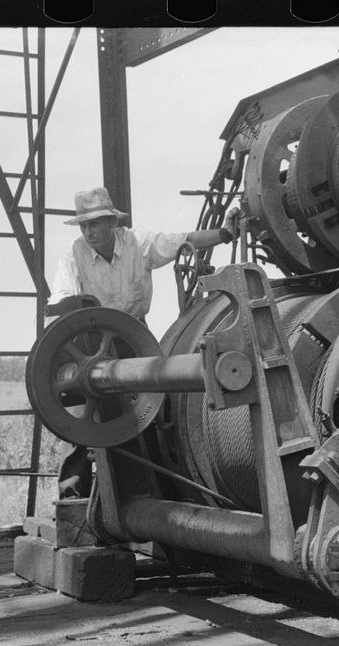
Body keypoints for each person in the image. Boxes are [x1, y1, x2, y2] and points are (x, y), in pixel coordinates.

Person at [48, 186, 238, 498]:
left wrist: (225, 234)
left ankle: (156, 488)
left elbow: (182, 241)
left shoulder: (139, 244)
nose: (88, 231)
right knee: (85, 421)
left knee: (150, 409)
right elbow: (63, 300)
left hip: (133, 338)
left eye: (94, 223)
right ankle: (73, 495)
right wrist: (75, 309)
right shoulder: (73, 255)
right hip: (91, 343)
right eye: (84, 225)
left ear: (112, 222)